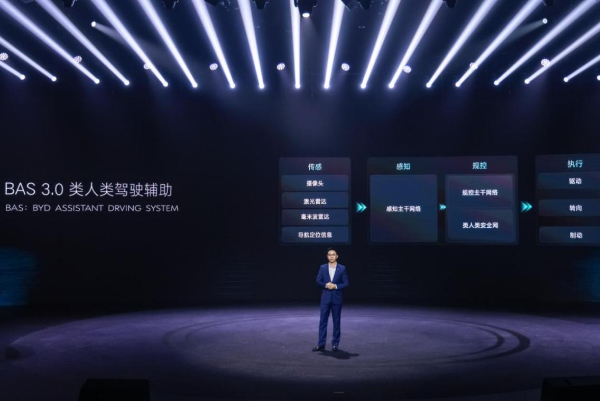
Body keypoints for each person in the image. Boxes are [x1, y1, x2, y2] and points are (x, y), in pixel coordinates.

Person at [312, 247, 349, 352]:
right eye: (329, 255)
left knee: (336, 322)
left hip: (337, 299)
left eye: (333, 254)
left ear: (337, 256)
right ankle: (321, 344)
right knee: (322, 321)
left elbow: (346, 283)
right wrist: (326, 285)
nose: (331, 256)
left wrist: (335, 286)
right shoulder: (322, 267)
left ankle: (335, 344)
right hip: (325, 299)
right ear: (327, 256)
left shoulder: (342, 268)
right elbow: (318, 280)